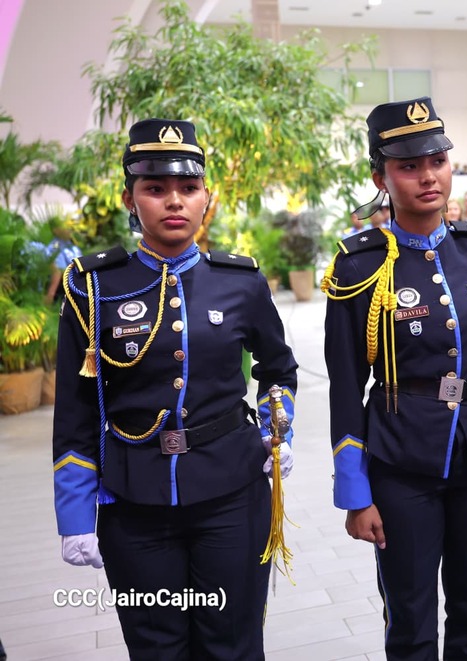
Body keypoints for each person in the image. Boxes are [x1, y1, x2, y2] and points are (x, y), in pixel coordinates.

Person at [52, 118, 299, 660]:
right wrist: (74, 513)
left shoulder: (240, 282)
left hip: (232, 495)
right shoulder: (93, 288)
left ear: (207, 197)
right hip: (134, 500)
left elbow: (278, 368)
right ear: (129, 198)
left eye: (188, 187)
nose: (174, 201)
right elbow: (74, 408)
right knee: (156, 648)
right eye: (155, 188)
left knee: (232, 645)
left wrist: (278, 428)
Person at [322, 96, 467, 660]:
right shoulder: (359, 266)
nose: (427, 176)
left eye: (437, 160)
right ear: (381, 178)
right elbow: (346, 385)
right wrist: (354, 490)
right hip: (400, 461)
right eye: (409, 166)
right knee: (410, 618)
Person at [43, 219, 83, 304]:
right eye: (66, 228)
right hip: (68, 288)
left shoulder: (73, 246)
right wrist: (50, 295)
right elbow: (58, 272)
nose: (69, 230)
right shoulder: (55, 248)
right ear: (56, 230)